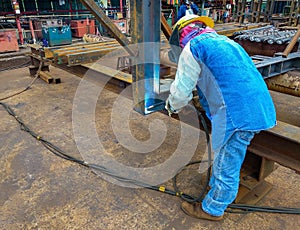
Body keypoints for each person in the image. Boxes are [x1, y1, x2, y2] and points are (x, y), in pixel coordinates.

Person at [165, 15, 276, 220]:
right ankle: (216, 191)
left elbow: (181, 92)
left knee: (226, 160)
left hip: (237, 114)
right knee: (226, 156)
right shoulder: (226, 42)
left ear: (181, 35)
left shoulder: (193, 48)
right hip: (258, 106)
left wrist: (172, 105)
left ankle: (213, 209)